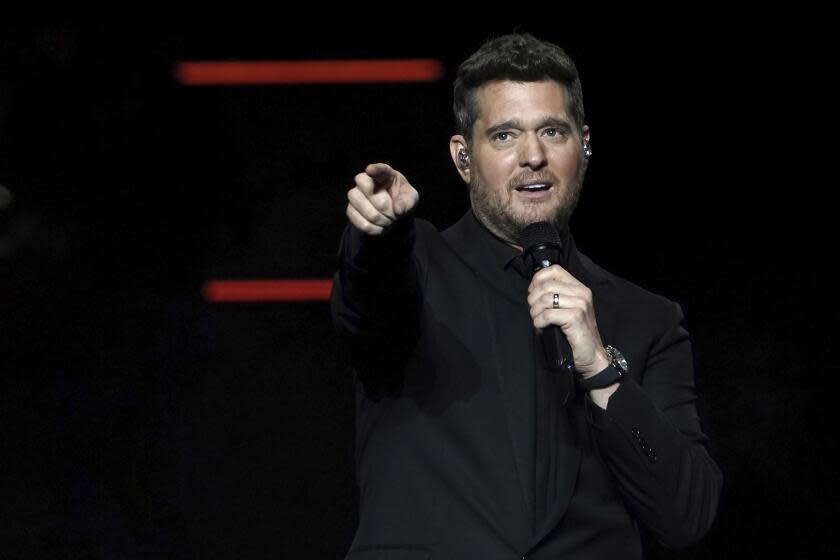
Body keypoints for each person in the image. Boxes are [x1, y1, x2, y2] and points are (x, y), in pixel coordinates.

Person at [330, 32, 722, 559]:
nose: (533, 156)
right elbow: (369, 306)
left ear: (584, 145)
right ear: (463, 157)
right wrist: (380, 235)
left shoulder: (646, 318)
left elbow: (687, 515)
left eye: (552, 132)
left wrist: (602, 372)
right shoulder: (414, 266)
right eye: (505, 136)